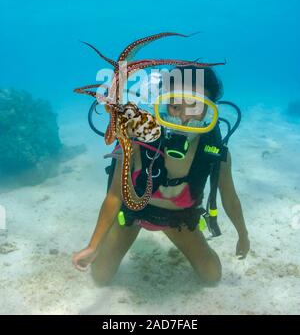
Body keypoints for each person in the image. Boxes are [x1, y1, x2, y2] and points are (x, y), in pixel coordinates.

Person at [72, 66, 250, 286]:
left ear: (209, 110)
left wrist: (243, 235)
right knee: (101, 276)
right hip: (131, 216)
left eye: (194, 106)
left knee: (212, 276)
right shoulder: (137, 139)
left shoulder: (213, 150)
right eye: (175, 105)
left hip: (178, 221)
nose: (183, 117)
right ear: (163, 104)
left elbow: (229, 197)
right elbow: (114, 196)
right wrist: (93, 245)